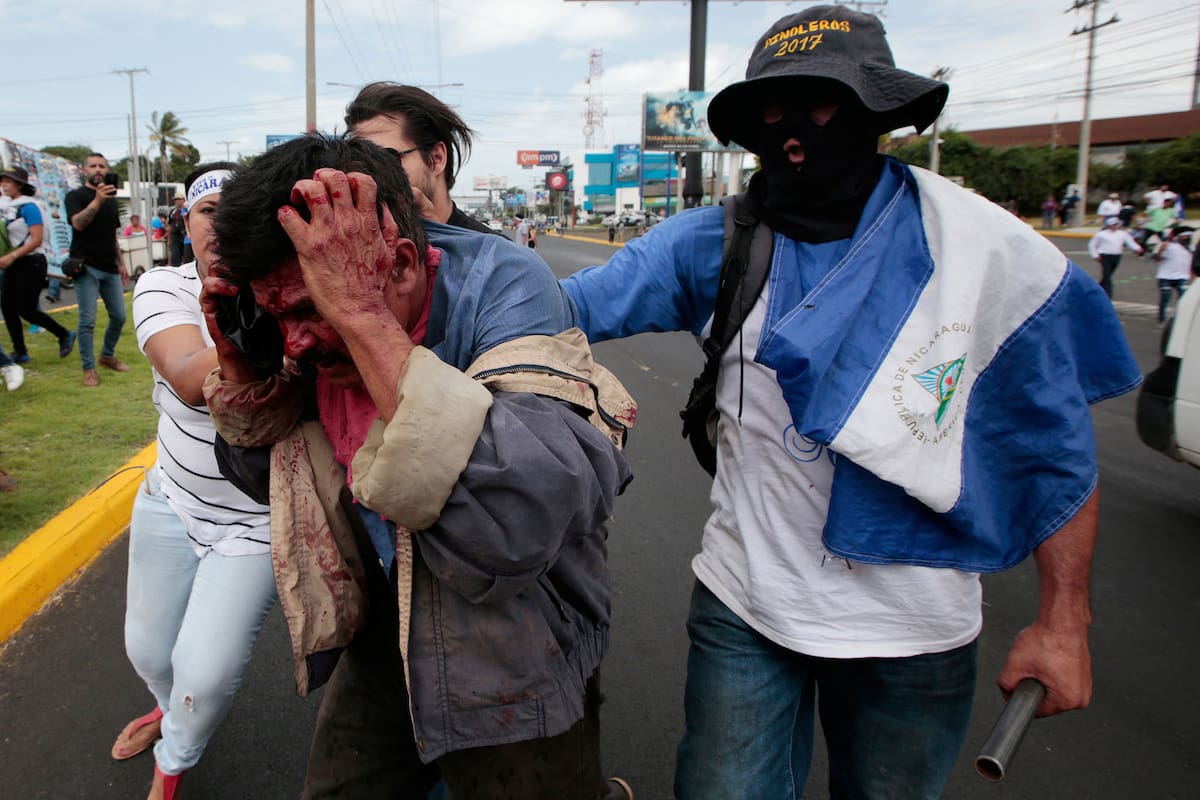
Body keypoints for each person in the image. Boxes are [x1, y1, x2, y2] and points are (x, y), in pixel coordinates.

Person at [560, 7, 1142, 799]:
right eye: (774, 110)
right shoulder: (715, 242)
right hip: (748, 603)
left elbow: (1055, 448)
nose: (796, 131)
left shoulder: (982, 254)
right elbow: (563, 312)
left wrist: (1063, 622)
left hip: (919, 629)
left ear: (877, 116)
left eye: (825, 105)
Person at [202, 134, 636, 800]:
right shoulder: (298, 328)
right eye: (278, 316)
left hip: (518, 639)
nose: (296, 341)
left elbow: (513, 531)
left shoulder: (503, 286)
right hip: (389, 618)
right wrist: (244, 375)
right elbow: (270, 484)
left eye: (311, 311)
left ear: (402, 264)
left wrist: (359, 314)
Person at [114, 163, 276, 800]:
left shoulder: (290, 289)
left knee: (202, 677)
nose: (222, 223)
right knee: (149, 654)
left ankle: (173, 763)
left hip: (256, 524)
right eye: (209, 211)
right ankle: (166, 710)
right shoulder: (163, 286)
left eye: (238, 210)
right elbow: (188, 375)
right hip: (171, 502)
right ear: (187, 221)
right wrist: (286, 332)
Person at [343, 81, 503, 235]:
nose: (367, 177)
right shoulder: (352, 248)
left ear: (436, 159)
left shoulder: (493, 256)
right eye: (358, 161)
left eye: (386, 158)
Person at [65, 152, 129, 386]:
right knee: (87, 320)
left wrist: (121, 264)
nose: (98, 169)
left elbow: (113, 235)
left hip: (109, 266)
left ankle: (107, 355)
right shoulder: (75, 196)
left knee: (119, 316)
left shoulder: (111, 199)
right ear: (84, 170)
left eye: (102, 165)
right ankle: (88, 368)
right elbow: (78, 223)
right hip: (86, 266)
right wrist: (98, 200)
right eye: (93, 166)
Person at [0, 166, 76, 362]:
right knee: (8, 307)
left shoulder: (29, 207)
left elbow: (36, 239)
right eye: (2, 180)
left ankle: (64, 334)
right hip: (14, 263)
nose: (4, 184)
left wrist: (12, 256)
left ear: (20, 184)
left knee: (26, 309)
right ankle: (20, 351)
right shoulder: (7, 207)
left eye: (8, 181)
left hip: (31, 262)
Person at [1088, 216, 1144, 298]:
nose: (1114, 226)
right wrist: (1095, 255)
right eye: (1113, 224)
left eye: (1116, 224)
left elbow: (1130, 242)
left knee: (1108, 274)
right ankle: (1108, 293)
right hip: (1104, 255)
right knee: (1107, 274)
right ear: (1108, 225)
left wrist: (1137, 248)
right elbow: (1092, 244)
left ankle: (1097, 288)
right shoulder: (1101, 234)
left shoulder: (1122, 234)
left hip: (1116, 256)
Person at [1153, 226, 1195, 322]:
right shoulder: (1170, 246)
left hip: (1183, 277)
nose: (1188, 238)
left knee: (1184, 299)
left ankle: (1182, 318)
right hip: (1165, 277)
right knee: (1165, 299)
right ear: (1179, 237)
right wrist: (1161, 250)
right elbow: (1157, 259)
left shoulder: (1191, 248)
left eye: (1189, 236)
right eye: (1186, 236)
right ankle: (1161, 319)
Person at [166, 194, 186, 266]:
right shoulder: (172, 212)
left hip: (185, 235)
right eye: (176, 200)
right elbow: (169, 225)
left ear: (183, 200)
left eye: (179, 200)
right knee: (175, 255)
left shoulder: (187, 210)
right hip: (175, 236)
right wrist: (169, 239)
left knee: (186, 256)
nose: (178, 202)